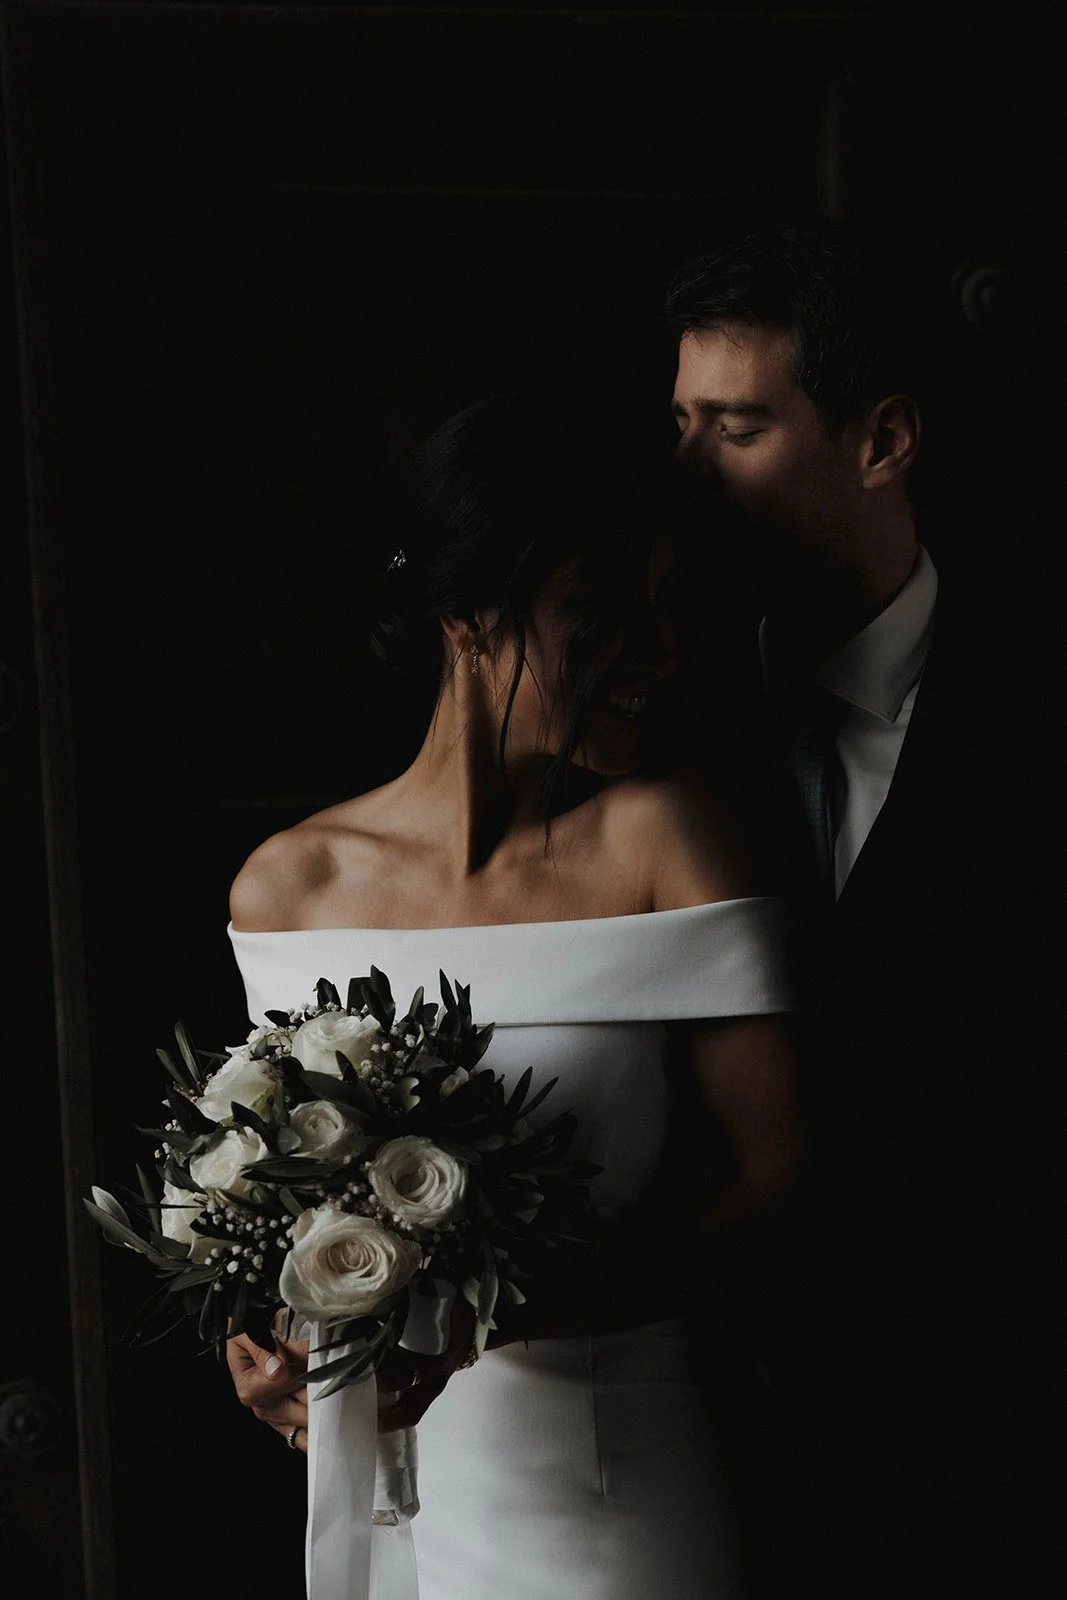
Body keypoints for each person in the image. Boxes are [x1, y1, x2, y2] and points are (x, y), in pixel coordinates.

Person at [223, 393, 804, 1599]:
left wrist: (491, 1317)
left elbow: (774, 1180)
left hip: (609, 1491)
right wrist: (278, 1363)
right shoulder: (290, 887)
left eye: (660, 611)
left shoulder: (665, 841)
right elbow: (283, 1207)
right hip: (379, 1502)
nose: (656, 655)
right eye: (599, 616)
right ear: (465, 619)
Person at [667, 222, 1059, 1599]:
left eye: (734, 429)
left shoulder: (1029, 713)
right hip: (698, 1447)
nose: (683, 475)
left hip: (996, 1466)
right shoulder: (651, 723)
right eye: (679, 425)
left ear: (880, 441)